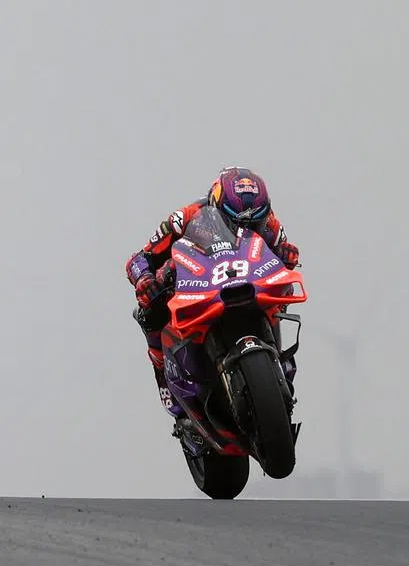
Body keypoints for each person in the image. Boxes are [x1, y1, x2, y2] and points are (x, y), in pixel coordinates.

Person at [124, 165, 301, 427]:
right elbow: (139, 259)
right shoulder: (185, 217)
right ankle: (166, 382)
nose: (247, 228)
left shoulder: (269, 220)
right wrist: (146, 279)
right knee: (149, 312)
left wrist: (288, 254)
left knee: (285, 288)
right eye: (238, 223)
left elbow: (286, 252)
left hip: (247, 279)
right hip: (195, 282)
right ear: (217, 205)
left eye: (254, 224)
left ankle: (277, 359)